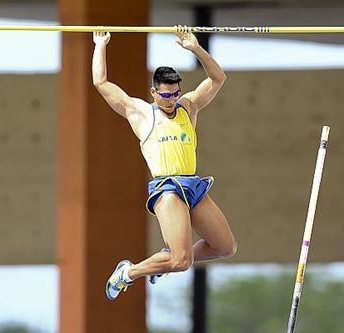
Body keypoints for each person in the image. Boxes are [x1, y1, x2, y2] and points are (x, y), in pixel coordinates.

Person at [92, 30, 237, 300]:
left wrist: (196, 48)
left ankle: (164, 258)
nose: (171, 100)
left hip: (192, 184)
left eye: (175, 94)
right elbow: (101, 82)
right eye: (165, 95)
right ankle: (129, 272)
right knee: (181, 262)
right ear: (153, 92)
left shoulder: (188, 106)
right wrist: (100, 45)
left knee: (225, 247)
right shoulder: (140, 113)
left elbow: (218, 78)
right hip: (167, 188)